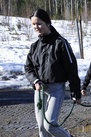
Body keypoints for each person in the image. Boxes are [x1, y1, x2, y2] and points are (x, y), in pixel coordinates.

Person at [24, 9, 81, 137]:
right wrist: (35, 81)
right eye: (33, 24)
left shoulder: (60, 43)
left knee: (49, 125)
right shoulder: (34, 46)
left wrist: (75, 92)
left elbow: (71, 68)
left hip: (56, 89)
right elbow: (28, 68)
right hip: (39, 90)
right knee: (42, 129)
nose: (36, 27)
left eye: (39, 23)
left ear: (47, 24)